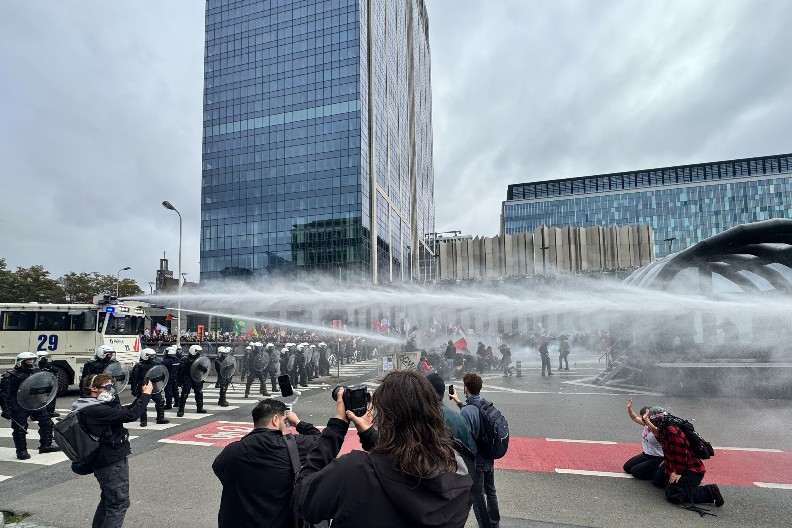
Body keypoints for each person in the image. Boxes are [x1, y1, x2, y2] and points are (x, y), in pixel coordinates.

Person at [293, 371, 472, 527]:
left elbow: (303, 500)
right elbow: (404, 466)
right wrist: (369, 435)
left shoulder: (354, 471)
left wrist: (336, 427)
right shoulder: (459, 477)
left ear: (384, 418)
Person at [212, 399, 321, 528]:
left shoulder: (231, 451)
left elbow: (219, 469)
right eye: (284, 421)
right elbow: (321, 441)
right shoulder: (289, 446)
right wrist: (298, 423)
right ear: (275, 420)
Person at [75, 373, 153, 528]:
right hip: (110, 462)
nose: (111, 390)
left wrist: (140, 395)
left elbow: (122, 410)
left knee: (108, 501)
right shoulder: (94, 410)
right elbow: (130, 415)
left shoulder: (88, 404)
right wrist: (146, 395)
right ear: (93, 388)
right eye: (108, 387)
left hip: (105, 459)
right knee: (118, 503)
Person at [643, 407, 724, 509]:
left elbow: (681, 452)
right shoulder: (664, 425)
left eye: (651, 420)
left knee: (673, 495)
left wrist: (678, 472)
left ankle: (710, 491)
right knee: (658, 480)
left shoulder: (671, 430)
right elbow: (660, 437)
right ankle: (685, 485)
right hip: (673, 464)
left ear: (656, 419)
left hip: (690, 470)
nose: (651, 423)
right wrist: (667, 460)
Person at [450, 372, 500, 528]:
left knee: (478, 496)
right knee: (491, 490)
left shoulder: (467, 411)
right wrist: (458, 402)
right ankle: (495, 523)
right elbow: (474, 413)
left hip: (477, 459)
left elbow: (466, 435)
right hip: (489, 455)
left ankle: (484, 525)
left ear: (466, 388)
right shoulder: (485, 403)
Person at [0, 352, 62, 460]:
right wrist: (6, 409)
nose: (31, 362)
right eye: (28, 360)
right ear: (20, 362)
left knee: (47, 423)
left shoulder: (37, 372)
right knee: (20, 428)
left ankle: (46, 445)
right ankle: (21, 451)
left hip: (36, 402)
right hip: (18, 405)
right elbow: (4, 395)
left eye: (32, 360)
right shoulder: (10, 376)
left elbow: (44, 387)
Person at [426, 372, 477, 457]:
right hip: (452, 462)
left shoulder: (415, 415)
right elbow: (470, 449)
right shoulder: (458, 418)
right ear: (442, 392)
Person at [623, 399, 663, 480]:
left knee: (635, 472)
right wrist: (629, 409)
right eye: (643, 417)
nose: (643, 419)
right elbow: (634, 417)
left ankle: (658, 471)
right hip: (646, 455)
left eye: (645, 417)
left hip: (657, 458)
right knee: (627, 467)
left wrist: (647, 420)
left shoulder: (658, 428)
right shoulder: (646, 424)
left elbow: (656, 432)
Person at [130, 348, 169, 426]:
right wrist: (134, 389)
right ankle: (143, 421)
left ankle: (160, 418)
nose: (152, 357)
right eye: (150, 356)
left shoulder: (155, 364)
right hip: (143, 386)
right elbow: (134, 379)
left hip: (154, 386)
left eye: (153, 356)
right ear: (145, 355)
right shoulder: (138, 366)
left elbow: (160, 374)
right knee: (143, 404)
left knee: (160, 401)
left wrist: (160, 382)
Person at [176, 344, 207, 417]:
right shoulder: (185, 359)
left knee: (199, 393)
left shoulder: (199, 360)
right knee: (184, 394)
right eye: (198, 352)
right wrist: (179, 381)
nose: (199, 353)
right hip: (187, 378)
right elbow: (180, 371)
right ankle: (181, 410)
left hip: (196, 378)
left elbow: (203, 370)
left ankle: (200, 408)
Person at [36, 351, 59, 417]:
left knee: (51, 397)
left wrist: (49, 366)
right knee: (39, 399)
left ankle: (50, 411)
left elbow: (56, 370)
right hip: (40, 383)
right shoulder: (37, 366)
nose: (46, 359)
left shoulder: (48, 365)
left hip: (49, 382)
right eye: (44, 357)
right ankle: (37, 413)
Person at [161, 346, 180, 410]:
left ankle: (168, 404)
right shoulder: (177, 360)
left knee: (168, 391)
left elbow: (162, 369)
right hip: (175, 377)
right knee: (175, 390)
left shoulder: (166, 361)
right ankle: (177, 402)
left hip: (168, 378)